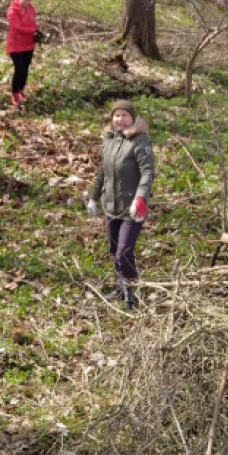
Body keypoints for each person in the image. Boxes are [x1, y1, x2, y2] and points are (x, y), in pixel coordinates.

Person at [87, 100, 155, 309]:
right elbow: (102, 173)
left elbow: (147, 172)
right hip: (111, 206)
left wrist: (140, 198)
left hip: (132, 208)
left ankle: (131, 291)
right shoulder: (109, 140)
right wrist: (93, 197)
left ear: (132, 118)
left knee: (124, 251)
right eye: (117, 115)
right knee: (113, 248)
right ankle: (120, 285)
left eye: (125, 115)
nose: (120, 119)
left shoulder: (140, 141)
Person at [5, 0, 39, 109]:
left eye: (29, 0)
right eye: (25, 0)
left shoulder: (31, 9)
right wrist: (32, 30)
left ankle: (21, 89)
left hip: (28, 43)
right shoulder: (12, 10)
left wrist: (37, 30)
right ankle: (14, 93)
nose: (27, 3)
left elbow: (33, 22)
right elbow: (16, 27)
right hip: (15, 44)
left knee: (25, 68)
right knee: (19, 68)